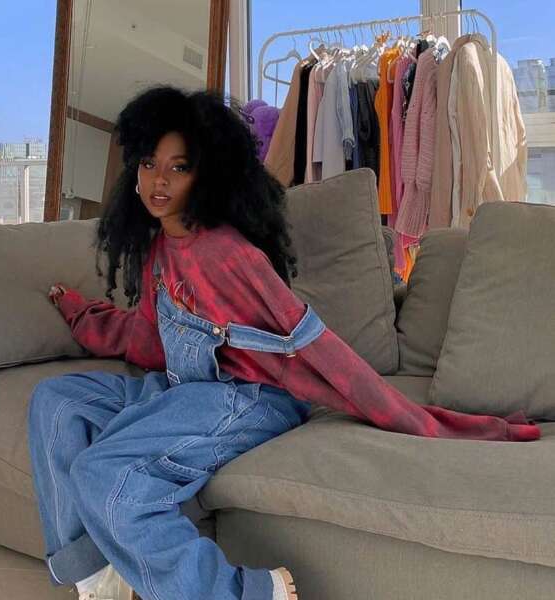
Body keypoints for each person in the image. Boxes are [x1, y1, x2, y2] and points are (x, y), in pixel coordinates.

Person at [28, 86, 540, 600]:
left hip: (250, 398)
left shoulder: (229, 255)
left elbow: (313, 344)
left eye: (178, 167)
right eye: (148, 164)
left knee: (104, 472)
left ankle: (247, 593)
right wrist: (80, 313)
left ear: (205, 174)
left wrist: (412, 418)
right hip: (186, 390)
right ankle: (99, 577)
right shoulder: (159, 250)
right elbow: (149, 341)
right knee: (55, 402)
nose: (159, 180)